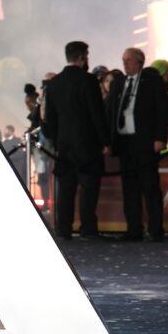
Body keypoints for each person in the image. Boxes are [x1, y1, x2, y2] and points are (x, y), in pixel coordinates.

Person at [43, 40, 110, 240]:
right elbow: (96, 113)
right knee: (88, 188)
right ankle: (88, 228)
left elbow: (50, 119)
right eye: (87, 56)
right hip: (87, 145)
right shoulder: (88, 81)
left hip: (64, 146)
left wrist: (57, 142)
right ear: (82, 57)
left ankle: (64, 229)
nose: (88, 60)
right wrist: (105, 141)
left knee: (66, 189)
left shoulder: (54, 83)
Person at [107, 47, 168, 241]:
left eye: (129, 60)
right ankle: (133, 229)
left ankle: (156, 229)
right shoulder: (118, 83)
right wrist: (108, 141)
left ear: (140, 62)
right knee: (129, 188)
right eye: (123, 60)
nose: (125, 64)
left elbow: (162, 110)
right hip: (124, 141)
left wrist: (160, 137)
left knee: (150, 186)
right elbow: (109, 111)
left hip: (145, 141)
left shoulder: (152, 82)